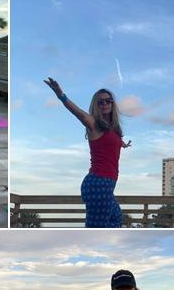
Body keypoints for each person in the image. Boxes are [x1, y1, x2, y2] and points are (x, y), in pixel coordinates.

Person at [44, 78, 132, 228]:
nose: (105, 104)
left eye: (108, 101)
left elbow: (109, 142)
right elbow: (79, 113)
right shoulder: (93, 124)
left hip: (107, 184)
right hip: (98, 183)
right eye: (100, 102)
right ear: (96, 106)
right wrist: (61, 95)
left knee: (116, 218)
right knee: (97, 228)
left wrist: (122, 144)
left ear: (112, 104)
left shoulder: (112, 130)